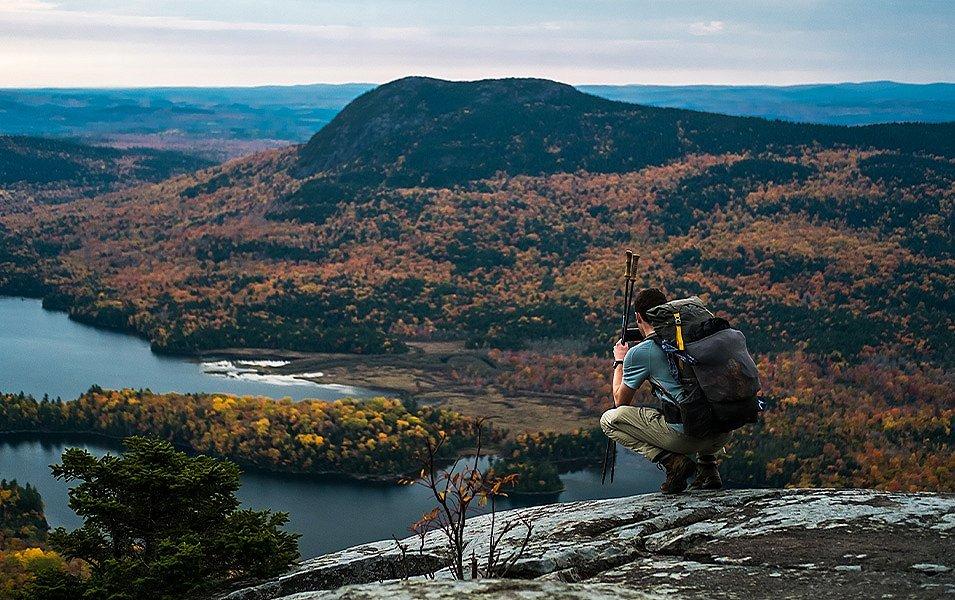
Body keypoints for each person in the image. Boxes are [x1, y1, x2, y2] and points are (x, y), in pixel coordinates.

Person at [600, 288, 729, 494]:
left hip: (687, 437)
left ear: (638, 317)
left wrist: (620, 361)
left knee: (609, 420)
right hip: (723, 431)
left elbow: (619, 401)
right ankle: (708, 469)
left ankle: (673, 463)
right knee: (699, 397)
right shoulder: (691, 337)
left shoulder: (642, 352)